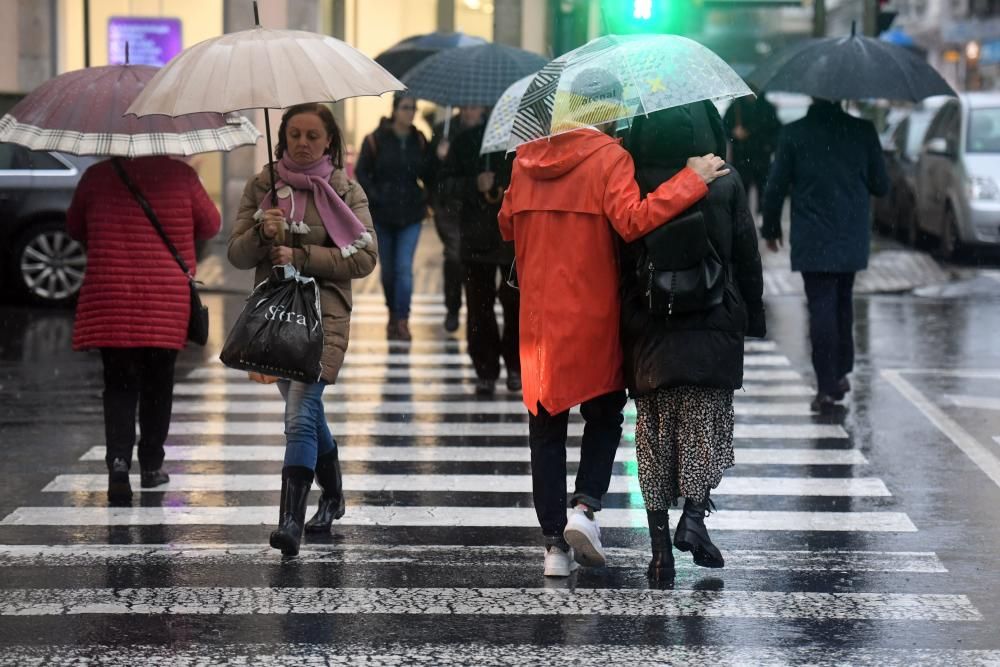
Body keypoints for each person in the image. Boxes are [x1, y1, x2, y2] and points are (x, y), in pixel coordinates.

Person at [497, 68, 729, 577]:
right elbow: (633, 219)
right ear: (610, 109)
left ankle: (554, 545)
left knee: (546, 425)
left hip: (539, 319)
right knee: (604, 413)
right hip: (593, 309)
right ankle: (585, 508)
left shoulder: (525, 160)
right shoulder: (609, 158)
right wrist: (691, 179)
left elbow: (506, 225)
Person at [620, 101, 766, 584]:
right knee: (708, 430)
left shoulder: (634, 183)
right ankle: (695, 519)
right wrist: (753, 317)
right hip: (711, 321)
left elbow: (620, 258)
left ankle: (660, 548)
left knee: (655, 438)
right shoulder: (723, 180)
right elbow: (746, 255)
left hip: (651, 327)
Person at [228, 103, 377, 556]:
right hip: (276, 316)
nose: (303, 142)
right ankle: (333, 496)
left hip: (324, 315)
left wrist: (302, 255)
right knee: (309, 415)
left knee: (298, 414)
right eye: (295, 134)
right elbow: (236, 253)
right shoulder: (264, 186)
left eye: (313, 135)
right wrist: (262, 233)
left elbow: (364, 258)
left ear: (329, 140)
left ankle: (289, 521)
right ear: (284, 138)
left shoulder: (346, 190)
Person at [67, 155, 220, 504]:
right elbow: (211, 224)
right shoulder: (182, 175)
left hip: (112, 294)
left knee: (119, 384)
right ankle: (151, 466)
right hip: (165, 297)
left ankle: (119, 465)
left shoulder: (96, 176)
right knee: (158, 385)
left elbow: (74, 227)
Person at [761, 98, 889, 412]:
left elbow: (776, 185)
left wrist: (771, 227)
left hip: (813, 235)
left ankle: (826, 384)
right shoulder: (862, 130)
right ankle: (841, 370)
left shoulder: (794, 133)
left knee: (821, 307)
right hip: (850, 234)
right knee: (843, 302)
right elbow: (881, 185)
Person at [441, 117, 520, 396]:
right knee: (479, 307)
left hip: (513, 237)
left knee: (516, 305)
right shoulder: (465, 141)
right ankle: (485, 368)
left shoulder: (520, 140)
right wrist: (474, 183)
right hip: (475, 240)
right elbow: (445, 186)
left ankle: (516, 365)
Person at [355, 93, 430, 342]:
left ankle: (402, 319)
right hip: (383, 215)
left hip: (411, 214)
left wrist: (438, 157)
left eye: (413, 109)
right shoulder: (376, 140)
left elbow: (430, 172)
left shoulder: (419, 140)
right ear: (395, 110)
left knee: (403, 268)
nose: (411, 113)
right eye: (407, 108)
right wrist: (376, 196)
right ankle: (392, 313)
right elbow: (361, 173)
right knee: (387, 271)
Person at [427, 106, 488, 333]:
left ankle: (478, 314)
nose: (468, 111)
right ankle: (453, 308)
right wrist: (439, 157)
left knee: (476, 262)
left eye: (474, 106)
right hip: (450, 209)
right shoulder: (443, 131)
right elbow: (432, 177)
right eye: (466, 105)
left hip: (480, 212)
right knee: (454, 256)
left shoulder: (493, 131)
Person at [722, 88, 781, 213]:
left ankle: (762, 217)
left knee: (763, 191)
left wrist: (768, 146)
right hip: (742, 157)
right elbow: (724, 127)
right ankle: (744, 217)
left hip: (762, 157)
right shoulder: (736, 107)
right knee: (742, 192)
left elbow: (777, 132)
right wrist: (734, 133)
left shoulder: (767, 107)